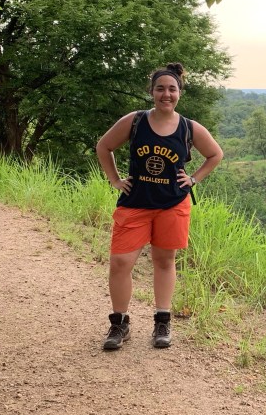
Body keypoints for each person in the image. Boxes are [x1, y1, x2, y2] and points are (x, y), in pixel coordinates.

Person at [95, 63, 223, 351]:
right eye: (160, 88)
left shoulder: (189, 127)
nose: (166, 94)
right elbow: (104, 146)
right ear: (151, 92)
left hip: (172, 204)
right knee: (120, 263)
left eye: (172, 89)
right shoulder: (135, 121)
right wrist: (115, 180)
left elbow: (215, 154)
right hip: (135, 202)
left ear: (180, 92)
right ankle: (119, 323)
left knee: (164, 261)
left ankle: (162, 321)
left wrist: (193, 179)